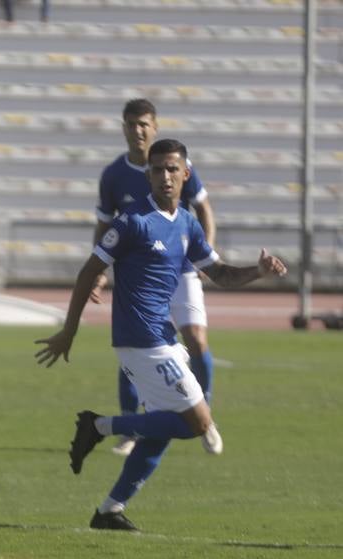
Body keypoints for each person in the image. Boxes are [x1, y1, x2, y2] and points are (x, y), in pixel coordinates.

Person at [34, 138, 287, 532]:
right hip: (140, 341)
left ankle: (109, 511)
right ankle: (100, 426)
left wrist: (258, 271)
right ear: (148, 174)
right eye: (157, 169)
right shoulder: (132, 221)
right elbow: (88, 272)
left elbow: (218, 273)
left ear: (186, 174)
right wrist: (69, 331)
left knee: (162, 429)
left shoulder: (186, 222)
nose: (164, 176)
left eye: (172, 169)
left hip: (164, 338)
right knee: (198, 422)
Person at [92, 98, 217, 456]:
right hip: (142, 274)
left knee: (197, 340)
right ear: (124, 128)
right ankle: (130, 426)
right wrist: (99, 271)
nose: (138, 130)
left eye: (144, 124)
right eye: (131, 124)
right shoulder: (114, 175)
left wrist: (205, 254)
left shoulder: (177, 163)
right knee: (136, 350)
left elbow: (204, 209)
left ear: (155, 127)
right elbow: (104, 226)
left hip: (182, 266)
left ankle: (205, 414)